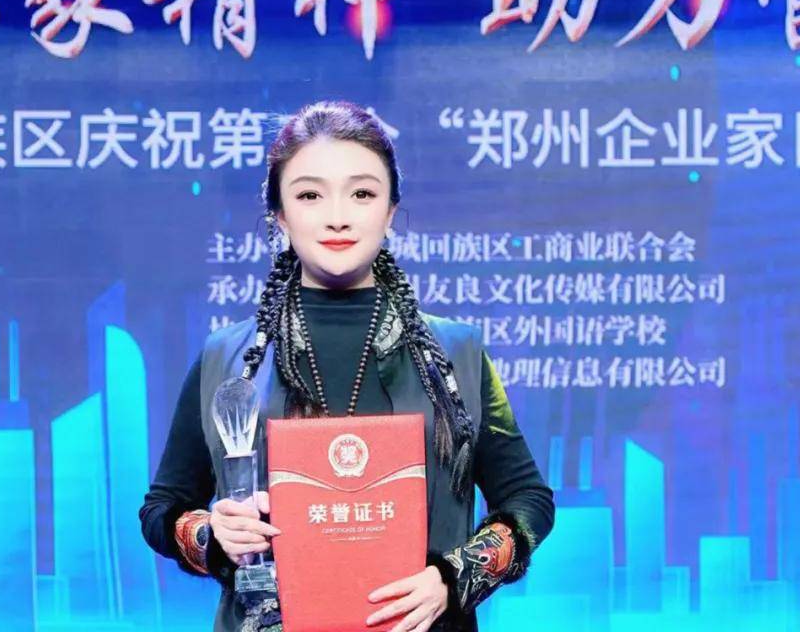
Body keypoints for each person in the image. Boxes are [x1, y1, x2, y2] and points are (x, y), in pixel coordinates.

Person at [140, 100, 554, 632]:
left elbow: (528, 499)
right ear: (279, 213)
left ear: (390, 209)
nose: (337, 216)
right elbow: (163, 508)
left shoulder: (456, 353)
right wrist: (211, 536)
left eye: (362, 193)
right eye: (310, 195)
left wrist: (452, 580)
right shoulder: (229, 358)